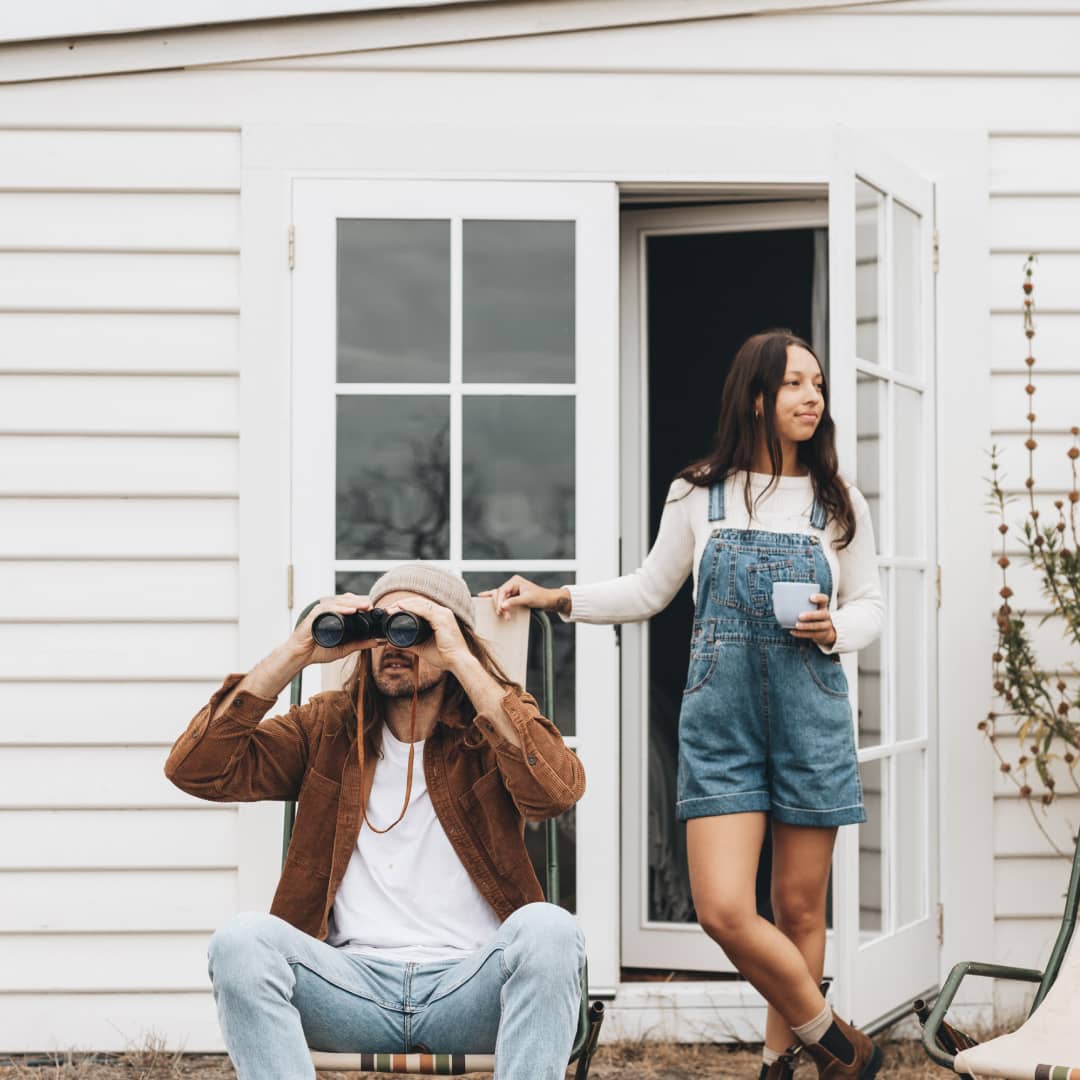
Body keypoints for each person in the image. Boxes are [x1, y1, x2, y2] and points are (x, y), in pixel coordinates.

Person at [487, 330, 885, 1080]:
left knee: (799, 910)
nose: (812, 399)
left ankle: (779, 1064)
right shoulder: (698, 492)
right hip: (721, 725)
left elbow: (872, 605)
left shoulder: (837, 501)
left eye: (819, 386)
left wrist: (838, 628)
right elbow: (647, 589)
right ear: (758, 397)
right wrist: (558, 596)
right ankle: (837, 1042)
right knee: (724, 909)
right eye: (796, 384)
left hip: (813, 717)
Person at [165, 564, 586, 1080]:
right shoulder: (326, 726)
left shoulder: (490, 727)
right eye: (384, 627)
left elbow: (557, 792)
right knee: (241, 941)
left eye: (413, 627)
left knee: (551, 929)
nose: (395, 643)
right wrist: (294, 653)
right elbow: (197, 770)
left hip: (468, 990)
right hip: (347, 990)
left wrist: (461, 657)